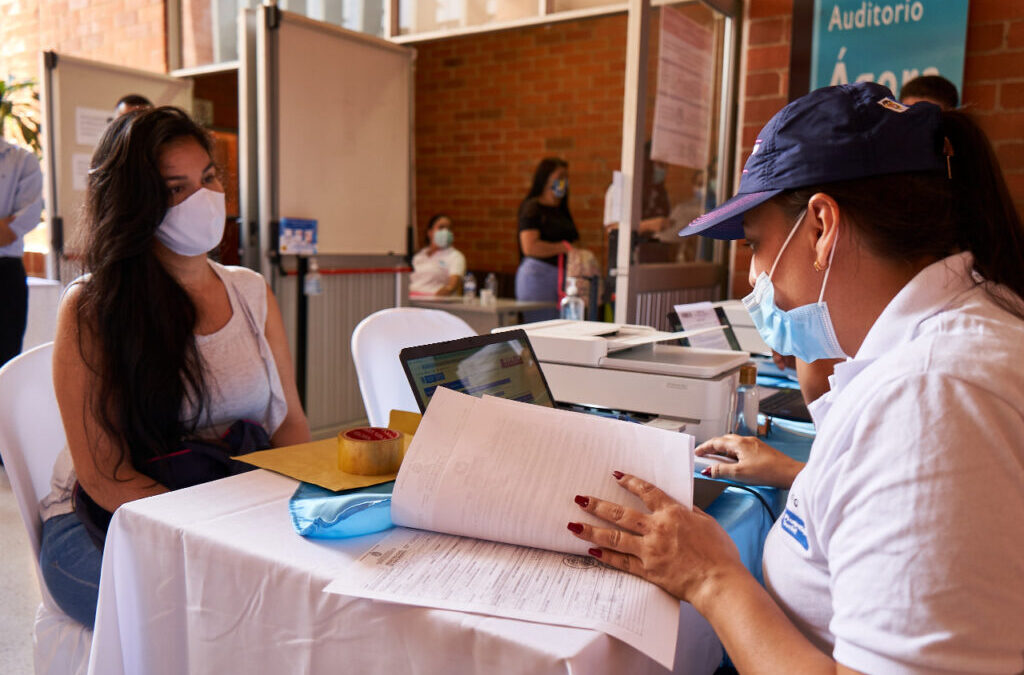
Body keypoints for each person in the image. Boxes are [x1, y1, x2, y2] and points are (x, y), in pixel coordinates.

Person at [565, 83, 1024, 673]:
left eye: (756, 245)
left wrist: (710, 577)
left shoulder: (932, 397)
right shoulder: (949, 346)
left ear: (821, 227)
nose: (754, 276)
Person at [37, 107, 311, 628]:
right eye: (174, 188)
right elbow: (104, 475)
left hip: (220, 498)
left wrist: (303, 505)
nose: (203, 199)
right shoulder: (94, 307)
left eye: (208, 178)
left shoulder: (250, 291)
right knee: (206, 617)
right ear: (136, 202)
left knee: (300, 596)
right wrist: (210, 537)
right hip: (108, 518)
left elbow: (289, 423)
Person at [515, 157, 579, 321]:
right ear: (545, 178)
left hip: (563, 278)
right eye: (560, 176)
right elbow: (529, 247)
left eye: (567, 177)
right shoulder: (533, 207)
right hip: (538, 277)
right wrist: (562, 248)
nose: (564, 181)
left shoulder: (562, 210)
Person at [0, 136, 42, 369]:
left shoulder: (22, 161)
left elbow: (13, 230)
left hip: (5, 275)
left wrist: (6, 227)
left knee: (5, 364)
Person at [409, 213, 466, 297]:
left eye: (449, 228)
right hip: (411, 300)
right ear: (430, 232)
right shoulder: (419, 255)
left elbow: (451, 287)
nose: (445, 231)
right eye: (441, 227)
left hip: (435, 303)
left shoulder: (455, 256)